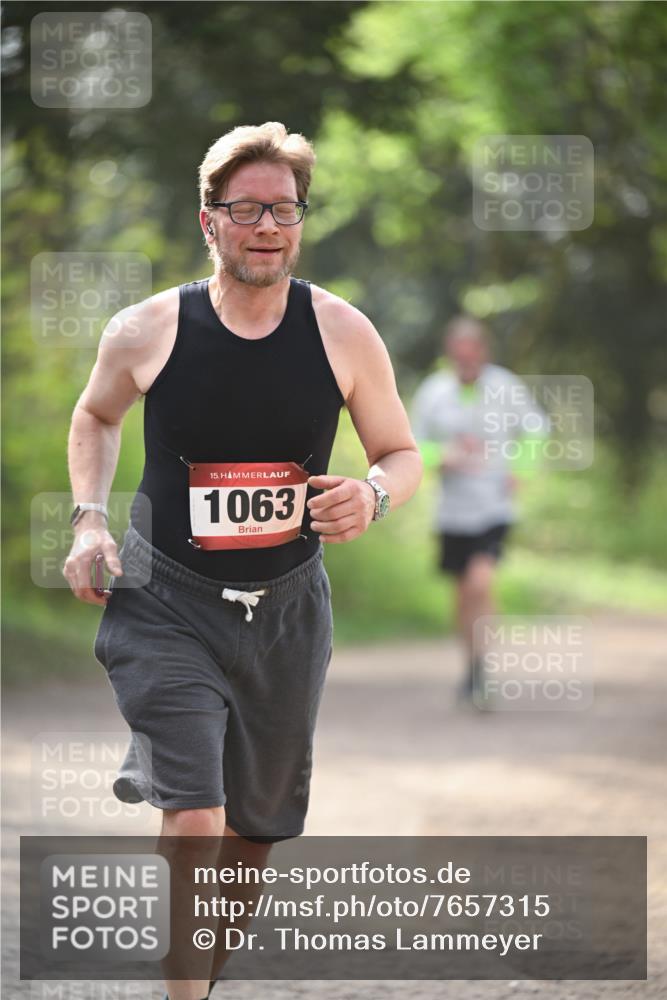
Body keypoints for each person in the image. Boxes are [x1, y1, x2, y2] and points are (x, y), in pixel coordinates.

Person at [62, 121, 422, 1000]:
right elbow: (95, 416)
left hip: (287, 611)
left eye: (286, 210)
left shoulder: (343, 332)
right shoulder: (146, 328)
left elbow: (400, 454)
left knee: (253, 833)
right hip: (166, 600)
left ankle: (193, 979)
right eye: (248, 209)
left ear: (301, 221)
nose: (269, 226)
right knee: (195, 813)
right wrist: (87, 521)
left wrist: (370, 497)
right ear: (208, 222)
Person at [411, 316, 549, 702]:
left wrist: (522, 468)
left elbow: (537, 429)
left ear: (483, 353)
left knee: (480, 582)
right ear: (450, 356)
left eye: (473, 357)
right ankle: (471, 665)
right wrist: (443, 456)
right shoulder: (434, 393)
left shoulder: (505, 387)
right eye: (460, 358)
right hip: (453, 510)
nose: (466, 364)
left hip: (494, 506)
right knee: (462, 592)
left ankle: (484, 667)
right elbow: (411, 445)